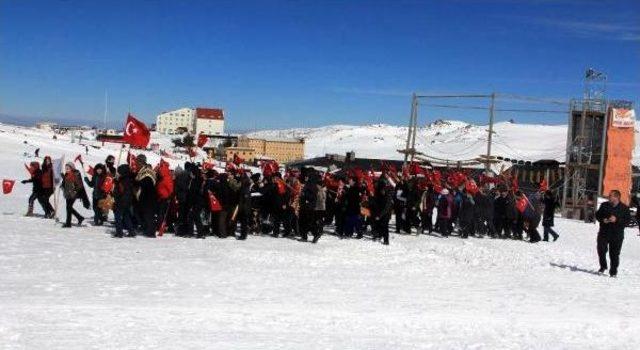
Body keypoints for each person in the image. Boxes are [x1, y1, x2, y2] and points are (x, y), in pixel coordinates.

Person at [595, 190, 630, 277]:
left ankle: (613, 272)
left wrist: (616, 220)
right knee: (601, 250)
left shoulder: (624, 208)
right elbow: (598, 215)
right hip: (604, 232)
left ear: (616, 197)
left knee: (614, 254)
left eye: (610, 196)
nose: (609, 197)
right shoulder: (604, 205)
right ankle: (603, 267)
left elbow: (627, 222)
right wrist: (603, 219)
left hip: (617, 235)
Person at [134, 154, 157, 238]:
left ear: (141, 162)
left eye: (138, 161)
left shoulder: (147, 171)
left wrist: (137, 183)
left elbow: (148, 183)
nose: (136, 163)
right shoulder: (142, 171)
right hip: (144, 196)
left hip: (149, 197)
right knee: (141, 214)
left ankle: (151, 232)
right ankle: (146, 229)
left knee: (149, 215)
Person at [61, 162, 86, 228]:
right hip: (67, 193)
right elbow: (65, 183)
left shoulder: (76, 173)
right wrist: (63, 181)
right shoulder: (66, 174)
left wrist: (75, 191)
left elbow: (79, 184)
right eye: (66, 168)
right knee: (68, 208)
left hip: (73, 194)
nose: (67, 169)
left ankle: (68, 223)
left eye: (68, 168)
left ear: (72, 168)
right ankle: (80, 217)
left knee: (68, 207)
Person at [113, 164, 135, 238]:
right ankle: (131, 231)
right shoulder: (127, 179)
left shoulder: (123, 180)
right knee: (126, 216)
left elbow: (121, 191)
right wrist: (116, 181)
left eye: (119, 171)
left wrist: (116, 196)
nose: (118, 173)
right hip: (127, 201)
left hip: (121, 201)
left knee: (118, 217)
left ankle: (119, 232)